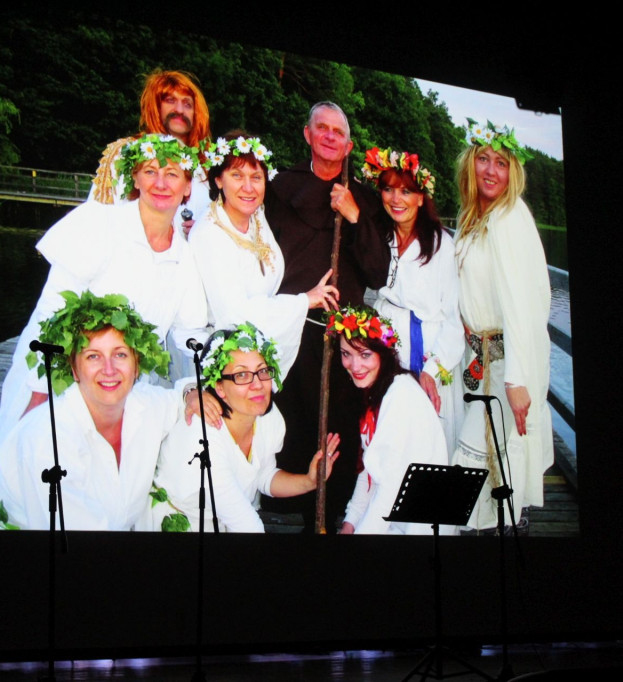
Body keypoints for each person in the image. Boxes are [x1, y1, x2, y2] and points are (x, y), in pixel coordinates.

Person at [0, 135, 208, 523]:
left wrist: (220, 369)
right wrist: (38, 394)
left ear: (187, 187)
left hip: (121, 387)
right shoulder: (101, 223)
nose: (161, 183)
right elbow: (50, 312)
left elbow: (188, 332)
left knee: (101, 492)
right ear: (135, 177)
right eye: (151, 171)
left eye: (172, 174)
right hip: (61, 377)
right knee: (34, 477)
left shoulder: (184, 257)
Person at [263, 101, 391, 530]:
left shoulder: (365, 199)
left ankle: (334, 512)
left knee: (339, 428)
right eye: (323, 128)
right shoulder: (280, 187)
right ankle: (289, 507)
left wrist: (354, 217)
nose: (331, 136)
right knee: (291, 421)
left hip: (343, 341)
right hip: (292, 327)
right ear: (308, 134)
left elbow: (378, 271)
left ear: (349, 144)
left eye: (339, 131)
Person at [0, 291, 186, 530]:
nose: (109, 369)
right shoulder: (48, 440)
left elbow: (183, 396)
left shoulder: (144, 404)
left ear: (136, 366)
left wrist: (190, 394)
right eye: (93, 356)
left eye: (120, 354)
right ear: (74, 370)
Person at [452, 120, 552, 531]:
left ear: (513, 172)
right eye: (483, 159)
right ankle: (495, 532)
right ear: (470, 164)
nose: (491, 170)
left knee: (475, 460)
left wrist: (516, 380)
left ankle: (502, 529)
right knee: (488, 464)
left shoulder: (511, 217)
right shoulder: (473, 215)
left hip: (506, 363)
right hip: (477, 361)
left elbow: (522, 304)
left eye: (501, 162)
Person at [152, 323, 340, 533]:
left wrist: (309, 482)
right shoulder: (203, 434)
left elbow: (263, 476)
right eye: (241, 375)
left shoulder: (268, 417)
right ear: (219, 387)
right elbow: (246, 525)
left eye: (262, 371)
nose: (257, 384)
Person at [188, 132, 338, 375]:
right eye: (236, 175)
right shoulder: (209, 235)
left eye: (256, 177)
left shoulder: (257, 217)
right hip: (225, 359)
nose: (248, 187)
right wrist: (303, 301)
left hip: (257, 350)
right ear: (218, 180)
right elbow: (236, 316)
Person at [361, 146, 464, 454]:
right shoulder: (379, 236)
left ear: (421, 197)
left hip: (429, 350)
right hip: (388, 345)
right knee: (388, 438)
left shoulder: (441, 245)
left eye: (406, 191)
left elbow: (453, 318)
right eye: (389, 189)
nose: (396, 199)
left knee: (429, 440)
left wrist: (432, 371)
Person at [327, 305, 449, 535]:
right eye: (346, 354)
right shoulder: (377, 394)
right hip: (395, 520)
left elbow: (389, 489)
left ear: (383, 352)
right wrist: (349, 524)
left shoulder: (400, 395)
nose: (355, 366)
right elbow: (370, 472)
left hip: (419, 528)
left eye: (365, 355)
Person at [89, 69, 212, 230]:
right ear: (156, 106)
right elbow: (99, 217)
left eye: (187, 104)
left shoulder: (206, 165)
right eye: (170, 100)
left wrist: (202, 231)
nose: (180, 110)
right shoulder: (126, 152)